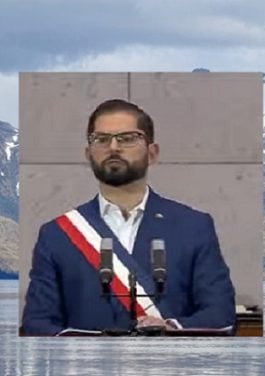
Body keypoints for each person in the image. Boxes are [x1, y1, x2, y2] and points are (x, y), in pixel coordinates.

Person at [21, 99, 236, 335]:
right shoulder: (56, 234)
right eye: (101, 139)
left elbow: (220, 313)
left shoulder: (193, 226)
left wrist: (171, 328)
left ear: (152, 153)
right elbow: (37, 324)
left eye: (128, 138)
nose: (113, 147)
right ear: (88, 153)